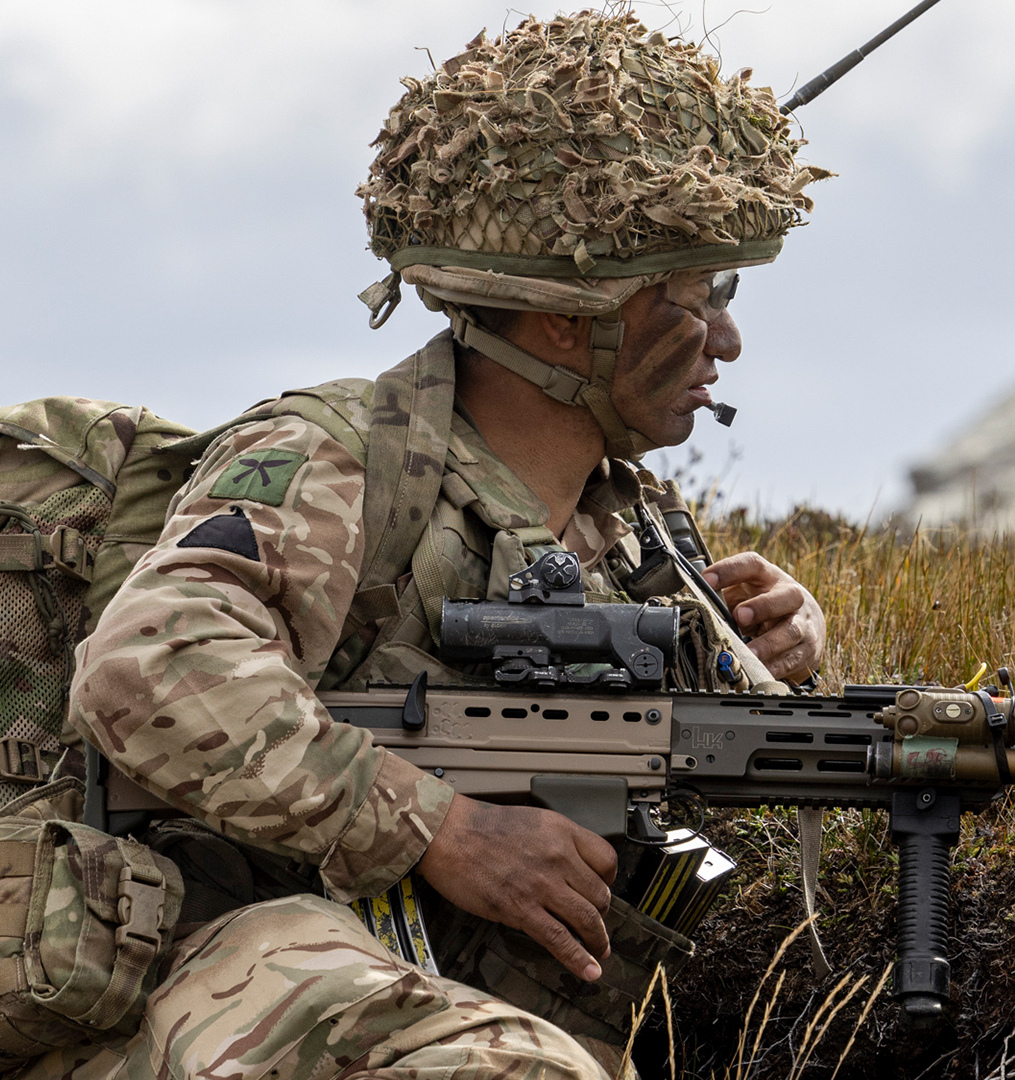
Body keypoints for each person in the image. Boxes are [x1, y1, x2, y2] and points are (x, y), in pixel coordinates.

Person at [60, 12, 832, 1078]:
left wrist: (773, 660)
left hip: (451, 990)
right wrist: (439, 830)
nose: (728, 341)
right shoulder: (343, 467)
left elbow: (686, 759)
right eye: (697, 296)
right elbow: (149, 666)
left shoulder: (631, 524)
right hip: (226, 958)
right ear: (570, 319)